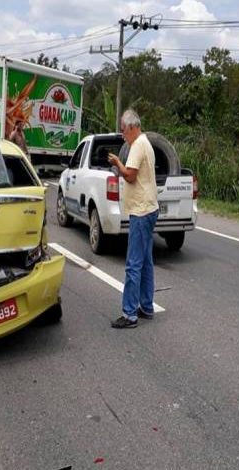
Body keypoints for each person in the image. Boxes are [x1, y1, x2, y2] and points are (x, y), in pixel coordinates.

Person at [107, 109, 159, 329]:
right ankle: (146, 306)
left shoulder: (137, 145)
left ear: (131, 127)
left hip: (141, 210)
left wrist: (118, 163)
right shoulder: (145, 142)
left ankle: (129, 314)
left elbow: (130, 176)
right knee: (145, 261)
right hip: (149, 207)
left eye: (122, 130)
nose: (122, 134)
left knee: (133, 263)